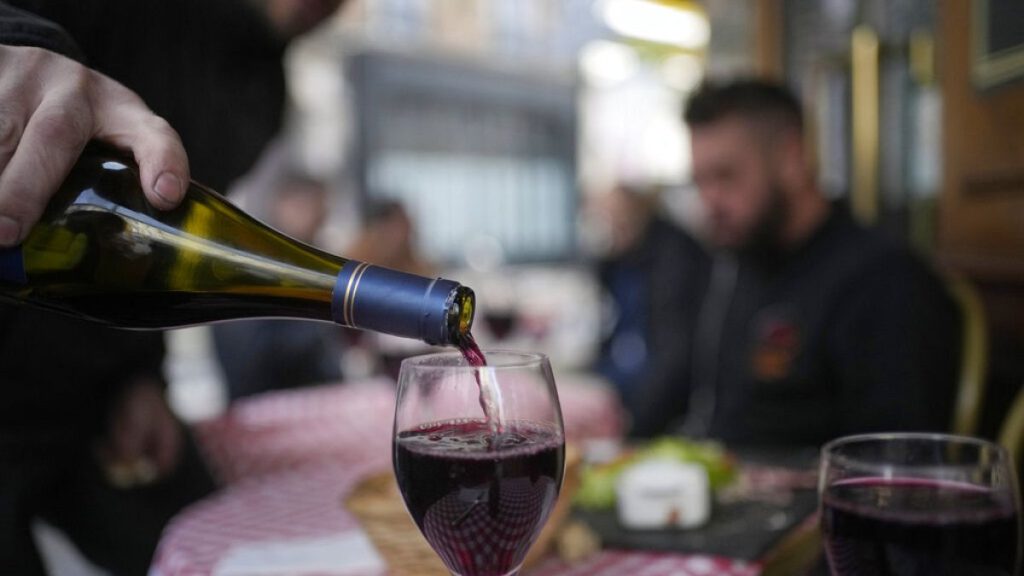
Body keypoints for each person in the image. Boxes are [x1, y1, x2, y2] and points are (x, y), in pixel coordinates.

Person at [0, 0, 344, 573]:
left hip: (89, 396)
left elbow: (156, 249)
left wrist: (141, 374)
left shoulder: (263, 97)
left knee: (234, 553)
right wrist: (15, 40)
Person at [675, 78, 961, 446]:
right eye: (700, 181)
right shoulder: (743, 265)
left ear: (791, 157)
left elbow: (895, 464)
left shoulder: (882, 281)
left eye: (726, 176)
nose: (710, 201)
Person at [590, 183, 709, 438]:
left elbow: (675, 357)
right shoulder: (618, 260)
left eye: (615, 218)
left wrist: (633, 428)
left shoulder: (675, 260)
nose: (608, 227)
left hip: (651, 400)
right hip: (618, 382)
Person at [212, 174, 344, 400]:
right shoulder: (257, 263)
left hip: (309, 397)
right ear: (287, 204)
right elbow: (249, 356)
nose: (322, 220)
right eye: (317, 210)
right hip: (267, 401)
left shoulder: (307, 256)